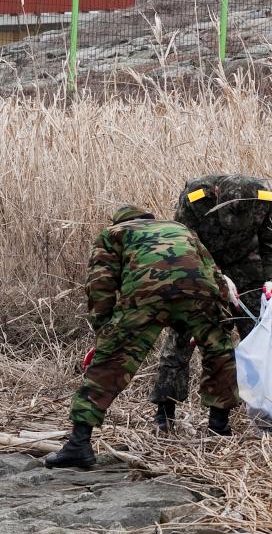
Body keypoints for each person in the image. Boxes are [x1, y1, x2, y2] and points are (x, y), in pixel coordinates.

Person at [45, 205, 241, 470]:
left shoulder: (113, 233)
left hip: (146, 295)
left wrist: (105, 334)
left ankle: (79, 444)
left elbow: (100, 284)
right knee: (219, 354)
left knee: (111, 363)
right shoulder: (181, 229)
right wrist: (222, 321)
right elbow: (213, 272)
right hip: (199, 292)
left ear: (118, 220)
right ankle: (219, 429)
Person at [151, 175, 272, 431]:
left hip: (246, 266)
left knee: (259, 335)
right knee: (180, 336)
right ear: (216, 194)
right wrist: (214, 276)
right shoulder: (195, 198)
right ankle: (165, 412)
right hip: (199, 266)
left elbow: (269, 241)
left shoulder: (265, 197)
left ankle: (260, 408)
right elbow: (181, 244)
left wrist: (270, 281)